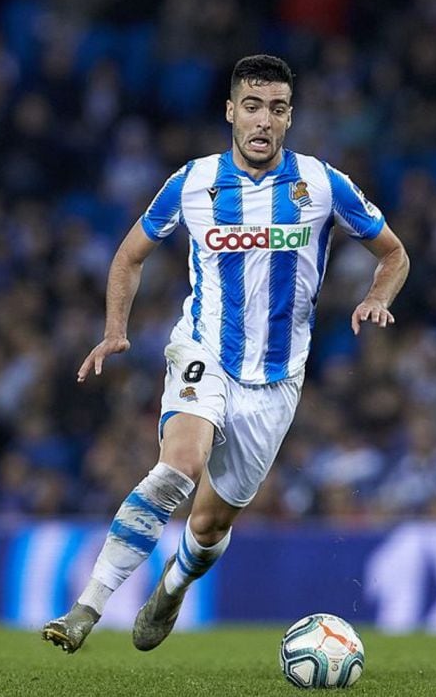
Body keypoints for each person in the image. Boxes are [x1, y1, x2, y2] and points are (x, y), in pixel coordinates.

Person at [41, 55, 409, 654]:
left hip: (277, 380)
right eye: (254, 106)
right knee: (177, 468)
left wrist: (376, 296)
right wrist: (115, 329)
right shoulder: (191, 182)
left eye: (279, 109)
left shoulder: (321, 184)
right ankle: (89, 605)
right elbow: (129, 255)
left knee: (210, 524)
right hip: (204, 349)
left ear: (290, 118)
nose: (265, 121)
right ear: (231, 111)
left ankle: (174, 584)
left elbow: (394, 254)